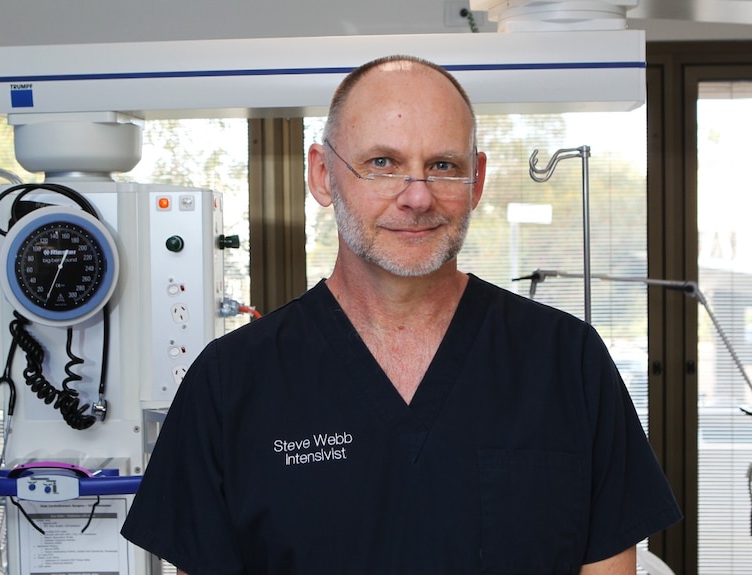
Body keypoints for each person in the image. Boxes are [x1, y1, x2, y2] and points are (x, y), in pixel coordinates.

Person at [121, 55, 682, 574]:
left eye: (442, 164)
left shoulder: (566, 364)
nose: (417, 196)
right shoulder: (230, 383)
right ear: (322, 174)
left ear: (477, 179)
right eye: (382, 163)